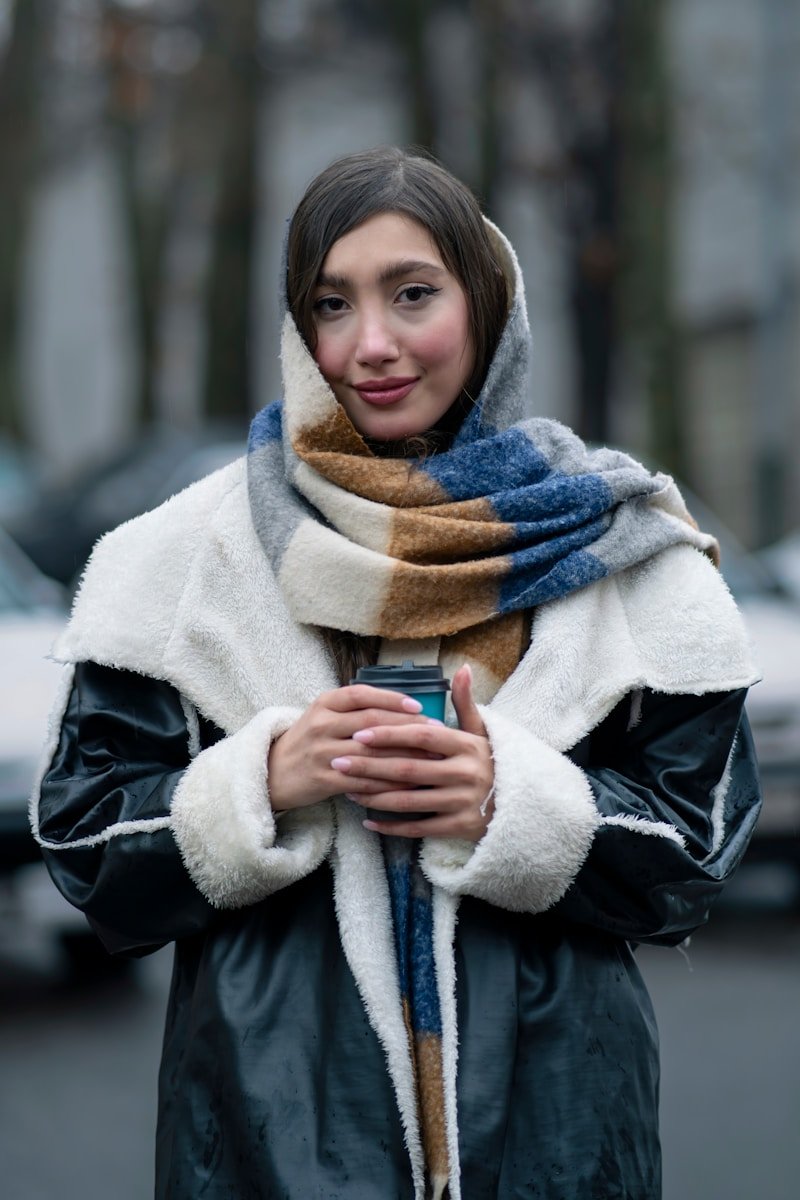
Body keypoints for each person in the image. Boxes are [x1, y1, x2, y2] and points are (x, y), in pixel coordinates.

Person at [32, 146, 761, 1200]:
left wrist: (510, 802)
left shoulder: (620, 548)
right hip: (262, 1133)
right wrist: (263, 779)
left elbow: (694, 850)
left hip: (554, 1138)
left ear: (487, 303)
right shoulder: (185, 560)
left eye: (412, 294)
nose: (368, 345)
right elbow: (85, 850)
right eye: (329, 305)